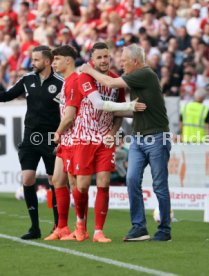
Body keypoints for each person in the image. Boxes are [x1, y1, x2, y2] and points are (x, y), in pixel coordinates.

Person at [81, 43, 171, 242]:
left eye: (124, 61)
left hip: (157, 137)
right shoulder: (141, 78)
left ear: (136, 62)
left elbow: (110, 84)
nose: (121, 64)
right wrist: (107, 108)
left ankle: (164, 229)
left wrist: (88, 70)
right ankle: (139, 227)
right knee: (131, 180)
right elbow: (134, 110)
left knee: (159, 185)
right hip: (138, 138)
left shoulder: (145, 74)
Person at [62, 42, 146, 243]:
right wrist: (131, 106)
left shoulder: (116, 80)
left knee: (104, 182)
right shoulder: (84, 77)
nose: (103, 61)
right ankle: (80, 223)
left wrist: (113, 131)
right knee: (82, 186)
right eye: (99, 57)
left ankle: (99, 230)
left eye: (106, 57)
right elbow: (99, 104)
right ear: (92, 59)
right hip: (83, 138)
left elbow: (117, 113)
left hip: (104, 139)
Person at [0, 45, 63, 239]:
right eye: (32, 59)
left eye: (36, 60)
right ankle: (34, 228)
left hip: (51, 138)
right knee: (27, 179)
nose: (32, 63)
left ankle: (58, 227)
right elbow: (7, 96)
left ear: (47, 61)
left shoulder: (61, 82)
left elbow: (70, 109)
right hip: (30, 138)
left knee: (55, 181)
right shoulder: (27, 80)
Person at [44, 45, 83, 240]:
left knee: (74, 182)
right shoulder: (66, 82)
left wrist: (57, 133)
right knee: (58, 180)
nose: (53, 63)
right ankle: (62, 227)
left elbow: (70, 115)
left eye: (57, 59)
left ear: (68, 60)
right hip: (66, 139)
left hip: (74, 138)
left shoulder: (75, 81)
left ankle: (79, 228)